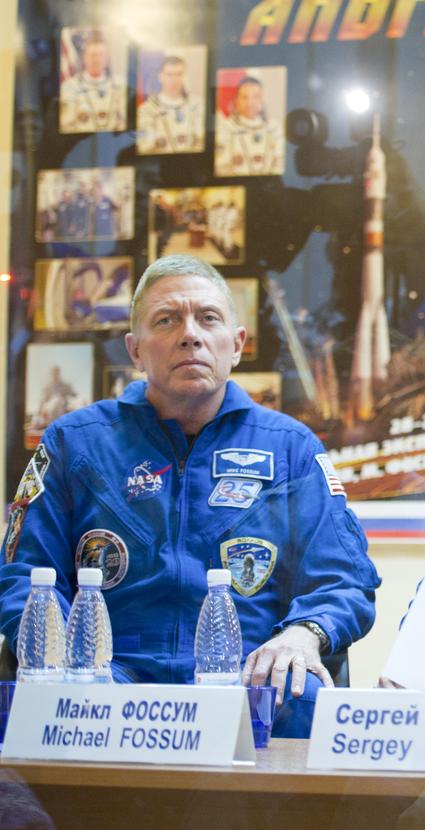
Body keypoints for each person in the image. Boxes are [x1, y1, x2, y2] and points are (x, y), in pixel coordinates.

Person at [0, 255, 379, 736]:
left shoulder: (291, 448)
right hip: (110, 682)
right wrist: (64, 662)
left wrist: (303, 635)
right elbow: (23, 578)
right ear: (135, 350)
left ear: (237, 344)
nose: (190, 334)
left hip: (248, 683)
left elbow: (344, 581)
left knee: (304, 704)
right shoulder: (75, 443)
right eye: (167, 320)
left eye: (208, 318)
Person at [215, 75, 284, 176]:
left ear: (262, 100)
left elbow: (280, 164)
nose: (250, 103)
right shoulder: (225, 128)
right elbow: (220, 167)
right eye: (244, 97)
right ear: (237, 100)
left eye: (255, 97)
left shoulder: (274, 128)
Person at [59, 30, 126, 132]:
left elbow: (125, 123)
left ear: (107, 58)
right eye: (93, 55)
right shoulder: (69, 87)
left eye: (101, 55)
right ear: (84, 57)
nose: (97, 60)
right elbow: (66, 127)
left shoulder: (121, 85)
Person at [137, 54, 205, 155]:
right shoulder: (146, 110)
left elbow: (203, 140)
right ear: (160, 76)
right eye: (169, 74)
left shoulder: (197, 104)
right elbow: (144, 147)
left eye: (179, 74)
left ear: (184, 76)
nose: (174, 80)